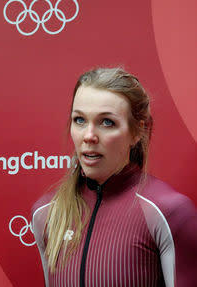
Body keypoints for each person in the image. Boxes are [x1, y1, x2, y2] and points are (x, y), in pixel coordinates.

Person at [32, 68, 197, 286]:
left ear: (138, 131)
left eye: (107, 122)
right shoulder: (46, 213)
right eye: (79, 120)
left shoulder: (169, 212)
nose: (89, 136)